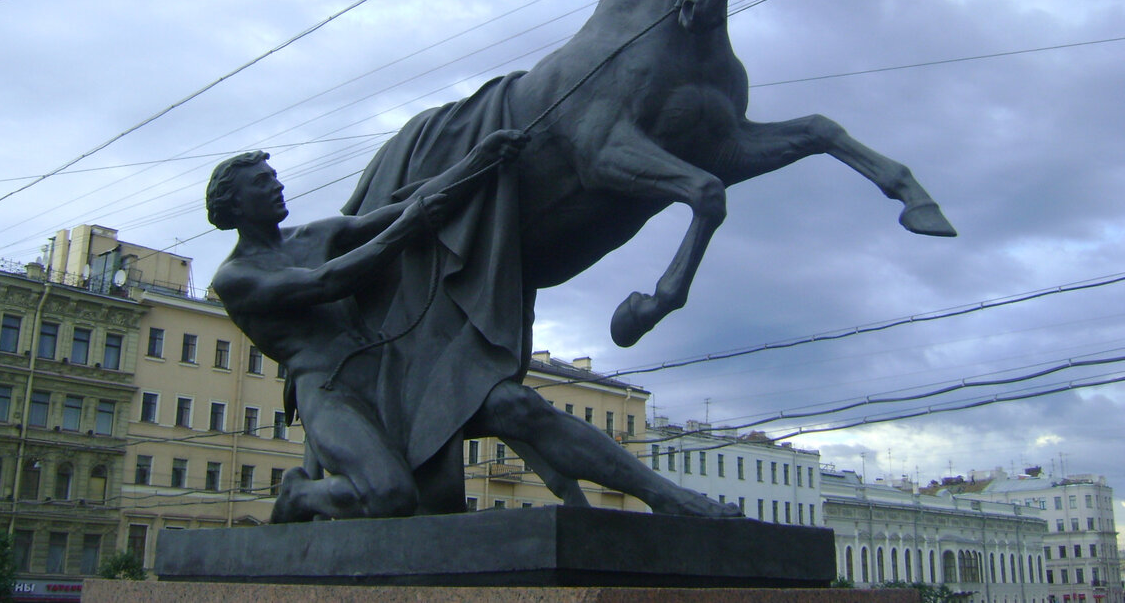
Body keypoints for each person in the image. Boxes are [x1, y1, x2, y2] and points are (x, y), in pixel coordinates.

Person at [208, 131, 740, 521]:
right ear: (234, 204)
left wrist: (477, 162)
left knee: (516, 404)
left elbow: (396, 211)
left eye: (275, 177)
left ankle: (662, 495)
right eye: (262, 182)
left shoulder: (313, 232)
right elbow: (326, 283)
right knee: (391, 497)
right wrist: (405, 231)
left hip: (391, 369)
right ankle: (300, 495)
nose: (276, 187)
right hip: (329, 390)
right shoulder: (236, 277)